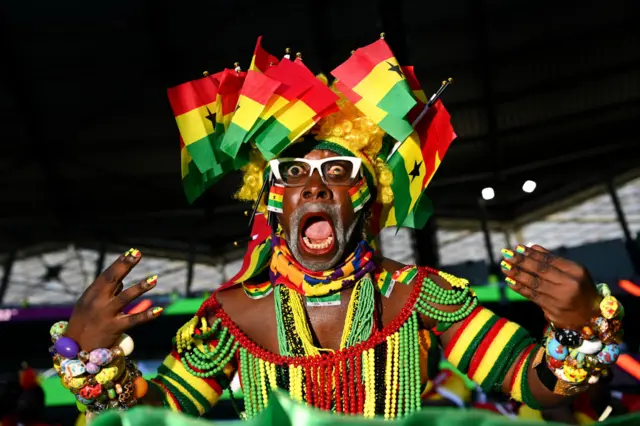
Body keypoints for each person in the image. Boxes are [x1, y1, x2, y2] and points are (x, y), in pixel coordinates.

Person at [49, 35, 624, 421]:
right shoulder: (229, 317)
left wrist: (578, 331)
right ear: (272, 202)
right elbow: (162, 412)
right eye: (293, 172)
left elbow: (538, 387)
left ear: (368, 198)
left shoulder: (418, 295)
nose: (315, 186)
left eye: (340, 171)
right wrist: (92, 360)